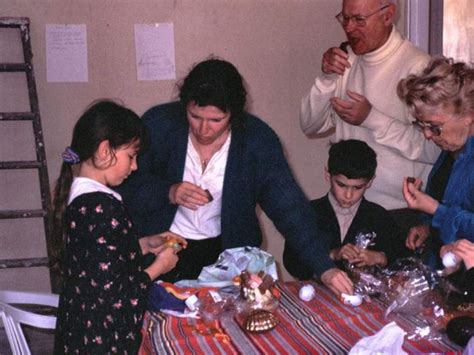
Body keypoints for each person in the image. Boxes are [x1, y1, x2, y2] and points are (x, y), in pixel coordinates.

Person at [117, 58, 353, 296]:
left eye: (216, 120)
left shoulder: (257, 140)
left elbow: (290, 209)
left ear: (234, 114)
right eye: (195, 116)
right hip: (161, 253)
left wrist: (324, 267)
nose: (203, 129)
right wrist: (168, 192)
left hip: (225, 256)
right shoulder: (158, 125)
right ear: (184, 106)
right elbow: (125, 188)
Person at [52, 100, 186, 353]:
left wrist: (145, 244)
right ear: (105, 151)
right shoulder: (101, 206)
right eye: (131, 156)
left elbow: (98, 261)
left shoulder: (82, 196)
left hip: (82, 330)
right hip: (101, 338)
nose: (134, 167)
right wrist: (160, 267)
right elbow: (116, 294)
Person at [299, 0, 439, 236]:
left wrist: (371, 118)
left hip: (400, 213)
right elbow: (310, 125)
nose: (349, 28)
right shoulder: (346, 60)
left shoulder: (419, 67)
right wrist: (326, 78)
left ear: (388, 15)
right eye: (345, 18)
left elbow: (434, 150)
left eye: (359, 20)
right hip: (349, 209)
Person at [284, 139, 405, 279]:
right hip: (315, 294)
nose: (348, 195)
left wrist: (381, 258)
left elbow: (403, 261)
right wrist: (332, 255)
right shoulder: (308, 213)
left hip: (365, 298)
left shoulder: (379, 217)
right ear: (328, 175)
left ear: (370, 182)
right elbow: (291, 263)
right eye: (341, 185)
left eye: (358, 187)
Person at [397, 57, 474, 254]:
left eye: (434, 127)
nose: (427, 135)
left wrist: (434, 209)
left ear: (469, 115)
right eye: (421, 126)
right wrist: (428, 227)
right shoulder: (452, 150)